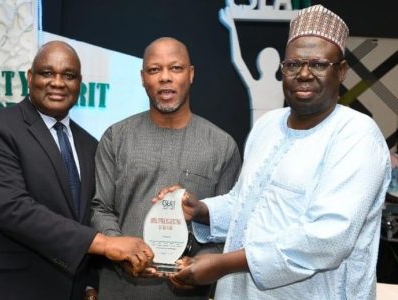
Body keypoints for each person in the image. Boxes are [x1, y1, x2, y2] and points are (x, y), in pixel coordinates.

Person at [155, 5, 391, 299]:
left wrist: (222, 265)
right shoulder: (268, 126)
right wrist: (202, 211)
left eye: (318, 64)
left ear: (341, 71)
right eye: (293, 65)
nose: (304, 74)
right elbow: (246, 203)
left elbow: (326, 240)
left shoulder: (356, 135)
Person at [0, 41, 153, 300]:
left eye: (69, 76)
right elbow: (14, 210)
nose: (58, 82)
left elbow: (90, 214)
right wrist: (106, 244)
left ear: (79, 83)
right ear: (30, 77)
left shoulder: (90, 145)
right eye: (47, 73)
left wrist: (89, 283)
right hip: (1, 288)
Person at [90, 37, 241, 300]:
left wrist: (203, 265)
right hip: (119, 289)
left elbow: (230, 224)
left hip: (188, 294)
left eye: (176, 68)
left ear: (191, 74)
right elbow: (100, 207)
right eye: (154, 69)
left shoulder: (221, 145)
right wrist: (120, 247)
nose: (165, 77)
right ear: (142, 77)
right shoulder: (116, 138)